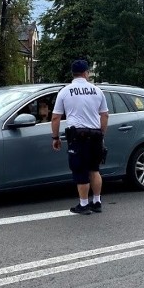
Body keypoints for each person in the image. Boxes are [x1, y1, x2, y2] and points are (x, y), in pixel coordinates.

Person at [51, 59, 109, 215]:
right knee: (94, 170)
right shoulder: (97, 91)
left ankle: (83, 205)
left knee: (79, 169)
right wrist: (101, 134)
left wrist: (55, 138)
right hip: (96, 135)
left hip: (78, 137)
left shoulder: (65, 91)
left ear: (73, 74)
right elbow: (105, 115)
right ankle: (97, 202)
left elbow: (56, 117)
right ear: (86, 73)